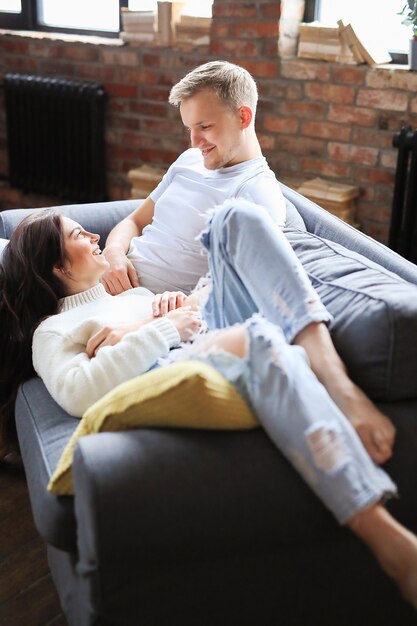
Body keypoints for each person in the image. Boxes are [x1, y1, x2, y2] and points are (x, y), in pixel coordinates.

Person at [0, 207, 417, 611]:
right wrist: (165, 328)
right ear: (58, 268)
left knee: (236, 219)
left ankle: (335, 379)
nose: (94, 237)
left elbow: (184, 319)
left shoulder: (130, 293)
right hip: (181, 360)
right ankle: (377, 528)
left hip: (203, 331)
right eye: (79, 235)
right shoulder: (53, 330)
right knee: (258, 341)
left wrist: (173, 308)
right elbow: (77, 390)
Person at [101, 60, 395, 466]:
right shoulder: (187, 162)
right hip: (107, 283)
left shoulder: (257, 193)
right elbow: (134, 220)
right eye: (189, 128)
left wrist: (160, 318)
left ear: (244, 116)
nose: (195, 141)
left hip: (156, 311)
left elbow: (224, 289)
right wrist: (114, 255)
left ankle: (336, 381)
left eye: (205, 127)